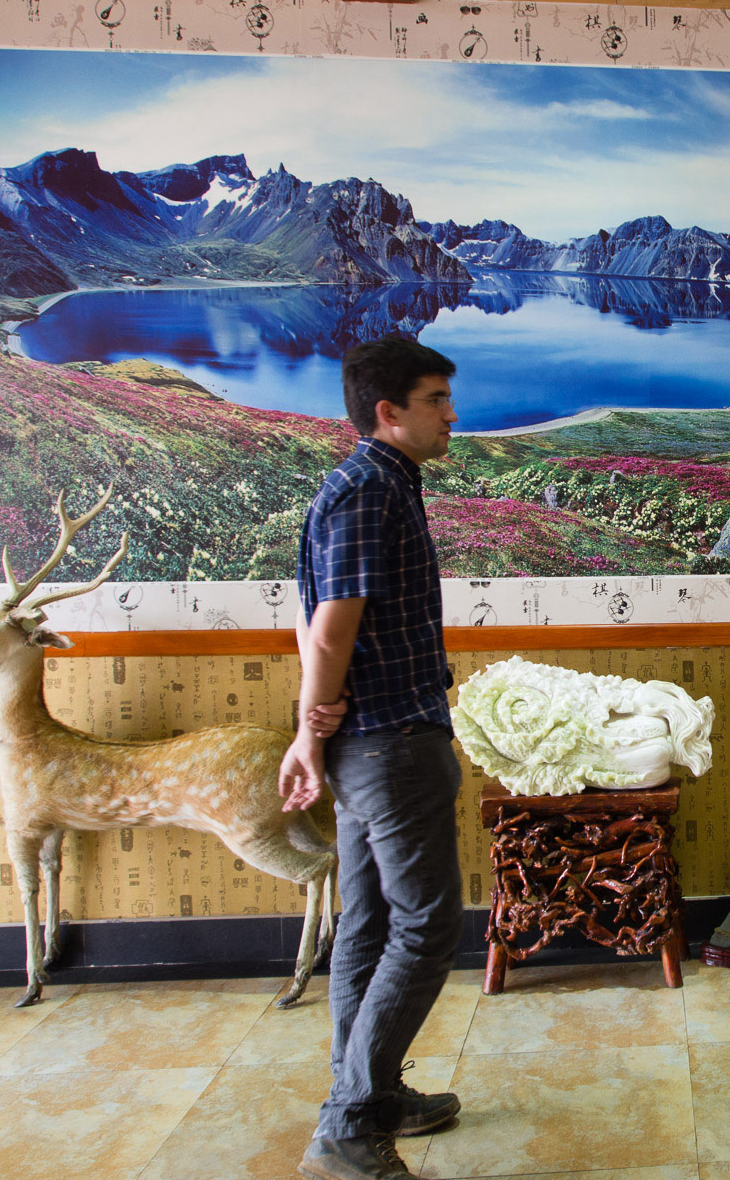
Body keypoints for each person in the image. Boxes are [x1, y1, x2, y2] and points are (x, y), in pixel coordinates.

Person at [280, 336, 464, 1180]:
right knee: (426, 927)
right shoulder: (368, 492)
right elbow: (328, 630)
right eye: (435, 400)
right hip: (390, 743)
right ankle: (352, 1121)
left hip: (375, 740)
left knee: (372, 921)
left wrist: (316, 736)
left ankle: (373, 1091)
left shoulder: (374, 483)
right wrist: (308, 736)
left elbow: (316, 620)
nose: (450, 415)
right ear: (388, 412)